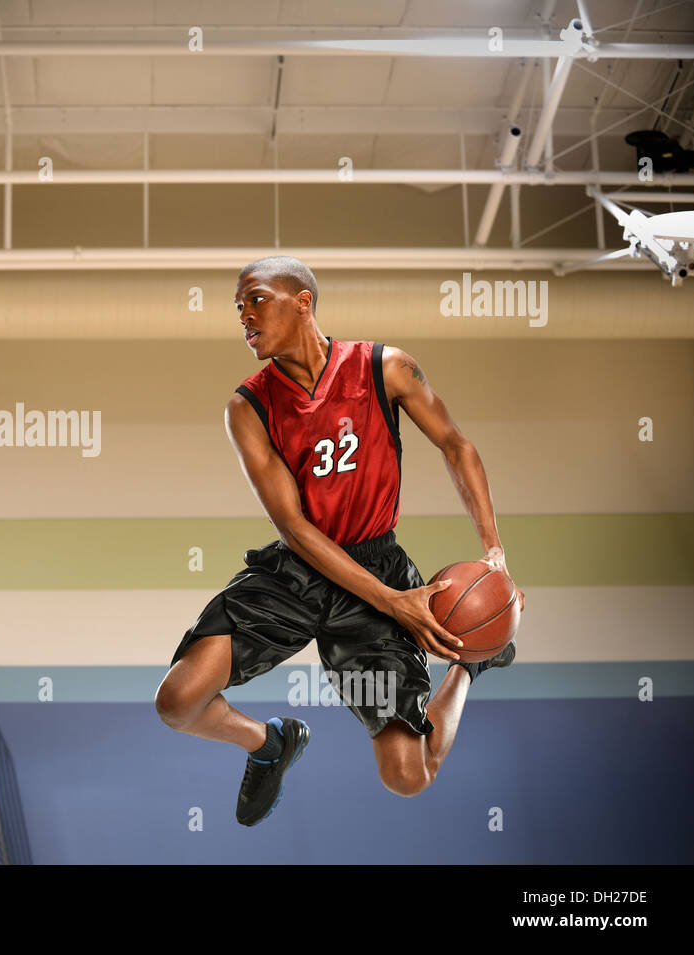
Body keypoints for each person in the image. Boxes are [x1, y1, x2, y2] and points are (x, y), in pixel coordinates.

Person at [155, 255, 524, 826]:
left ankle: (470, 667)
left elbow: (457, 447)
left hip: (375, 560)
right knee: (177, 703)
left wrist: (494, 553)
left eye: (256, 299)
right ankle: (269, 744)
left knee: (407, 777)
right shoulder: (247, 406)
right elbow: (295, 528)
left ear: (303, 300)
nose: (244, 317)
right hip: (297, 571)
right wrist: (391, 601)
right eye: (238, 308)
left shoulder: (387, 367)